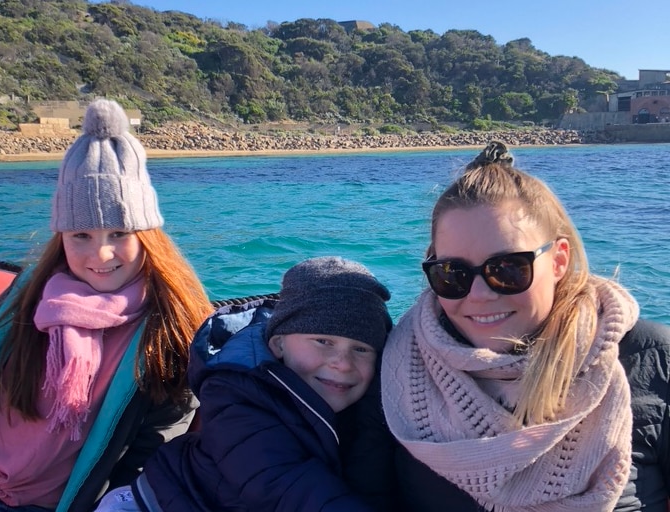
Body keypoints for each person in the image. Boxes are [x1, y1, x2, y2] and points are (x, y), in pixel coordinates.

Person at [0, 99, 213, 511]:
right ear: (61, 237)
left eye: (119, 232)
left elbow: (155, 440)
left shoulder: (170, 329)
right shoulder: (28, 295)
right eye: (80, 235)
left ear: (148, 235)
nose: (100, 255)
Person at [344, 141, 670, 511]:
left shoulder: (651, 358)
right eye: (453, 273)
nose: (480, 295)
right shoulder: (400, 369)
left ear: (559, 260)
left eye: (508, 268)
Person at [95, 256, 393, 511]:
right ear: (278, 345)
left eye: (361, 349)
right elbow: (284, 486)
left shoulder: (357, 402)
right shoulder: (240, 399)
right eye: (323, 341)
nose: (342, 363)